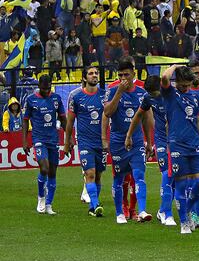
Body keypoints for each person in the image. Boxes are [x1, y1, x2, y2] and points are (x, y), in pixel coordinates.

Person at [160, 65, 199, 234]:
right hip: (177, 145)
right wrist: (175, 66)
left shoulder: (195, 97)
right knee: (181, 185)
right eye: (183, 85)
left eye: (188, 85)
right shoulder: (170, 94)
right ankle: (184, 222)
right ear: (177, 83)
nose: (186, 88)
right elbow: (164, 78)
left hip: (195, 144)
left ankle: (187, 210)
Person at [104, 58, 153, 224]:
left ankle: (142, 210)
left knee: (139, 174)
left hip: (137, 140)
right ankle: (120, 213)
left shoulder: (142, 93)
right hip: (118, 140)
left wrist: (148, 141)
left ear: (134, 74)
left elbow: (147, 119)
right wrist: (119, 92)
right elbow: (108, 113)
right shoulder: (112, 91)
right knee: (119, 178)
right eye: (120, 75)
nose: (123, 78)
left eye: (126, 74)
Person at [129, 75, 176, 226]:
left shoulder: (174, 95)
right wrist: (129, 135)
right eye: (150, 93)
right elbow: (138, 116)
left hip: (177, 140)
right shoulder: (148, 98)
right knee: (166, 174)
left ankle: (162, 210)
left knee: (177, 178)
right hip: (161, 140)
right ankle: (167, 214)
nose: (152, 96)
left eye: (154, 93)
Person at [64, 66, 106, 218]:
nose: (94, 76)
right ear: (84, 78)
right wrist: (67, 141)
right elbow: (69, 122)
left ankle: (92, 207)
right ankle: (95, 205)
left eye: (96, 73)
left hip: (100, 142)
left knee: (99, 175)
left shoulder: (104, 95)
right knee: (90, 173)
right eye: (91, 73)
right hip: (84, 141)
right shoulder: (76, 96)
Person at [22, 73, 65, 215]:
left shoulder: (56, 98)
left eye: (49, 88)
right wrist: (24, 140)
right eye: (44, 89)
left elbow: (63, 118)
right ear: (39, 86)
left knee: (53, 172)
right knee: (44, 168)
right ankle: (41, 197)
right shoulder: (31, 100)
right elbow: (25, 120)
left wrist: (69, 138)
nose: (47, 91)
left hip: (53, 139)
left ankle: (49, 204)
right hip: (39, 138)